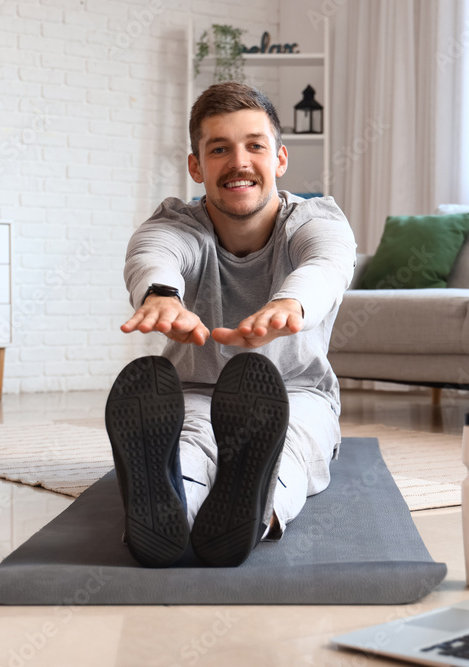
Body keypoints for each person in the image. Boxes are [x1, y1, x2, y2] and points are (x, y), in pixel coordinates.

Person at [106, 82, 356, 568]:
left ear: (279, 159)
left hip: (297, 392)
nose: (239, 162)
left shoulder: (313, 219)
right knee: (189, 445)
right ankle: (167, 516)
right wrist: (162, 294)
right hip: (197, 388)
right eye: (219, 149)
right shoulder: (178, 225)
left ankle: (243, 519)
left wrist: (290, 301)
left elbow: (328, 262)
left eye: (254, 146)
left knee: (289, 451)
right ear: (195, 166)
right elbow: (154, 253)